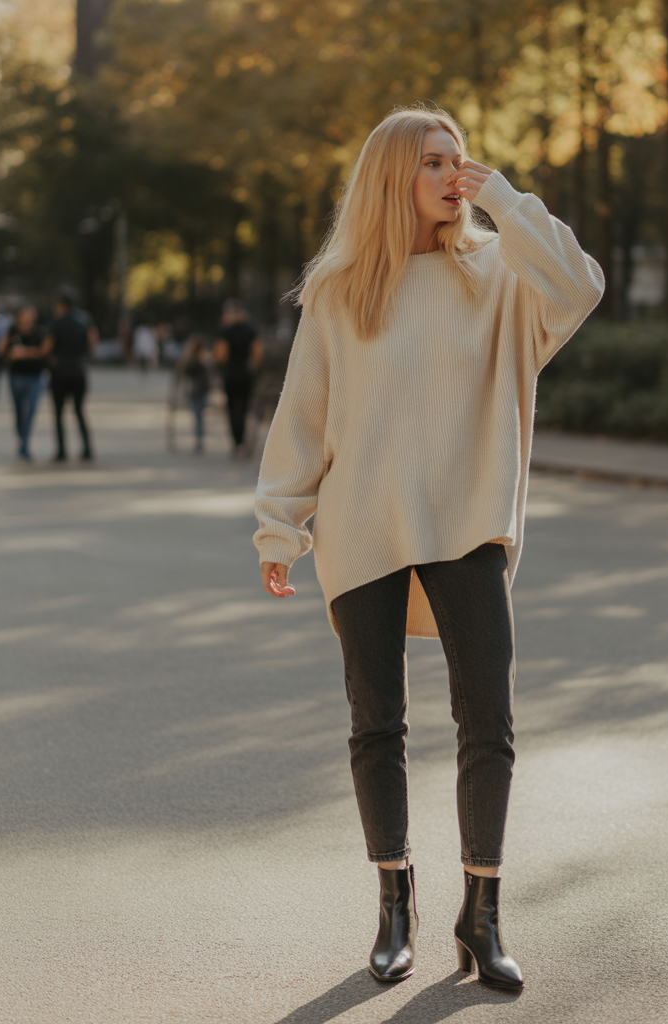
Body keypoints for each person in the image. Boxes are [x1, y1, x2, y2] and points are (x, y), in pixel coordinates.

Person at [253, 107, 604, 989]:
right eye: (435, 164)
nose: (456, 174)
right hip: (363, 525)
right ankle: (394, 903)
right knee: (378, 723)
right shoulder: (341, 291)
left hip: (467, 522)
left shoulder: (498, 274)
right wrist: (279, 526)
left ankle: (480, 915)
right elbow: (304, 417)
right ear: (391, 180)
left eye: (461, 158)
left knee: (489, 719)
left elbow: (581, 287)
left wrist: (509, 201)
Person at [46, 293, 96, 462]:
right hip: (78, 369)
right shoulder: (84, 320)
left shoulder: (57, 322)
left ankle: (61, 450)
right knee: (79, 410)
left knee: (59, 413)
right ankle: (87, 448)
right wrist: (85, 356)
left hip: (60, 371)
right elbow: (92, 339)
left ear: (62, 305)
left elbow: (48, 346)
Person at [213, 299, 263, 456]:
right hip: (246, 376)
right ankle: (243, 441)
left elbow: (221, 355)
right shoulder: (250, 331)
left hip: (230, 375)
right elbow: (258, 354)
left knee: (232, 409)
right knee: (244, 408)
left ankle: (237, 443)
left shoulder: (225, 332)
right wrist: (252, 367)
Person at [0, 305, 47, 461]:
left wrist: (23, 352)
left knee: (30, 411)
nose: (26, 321)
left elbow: (43, 351)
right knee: (19, 411)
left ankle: (25, 444)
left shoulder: (40, 332)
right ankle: (21, 439)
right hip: (16, 376)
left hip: (35, 376)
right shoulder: (12, 331)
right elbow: (2, 351)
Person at [175, 334, 213, 453]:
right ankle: (199, 438)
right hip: (198, 390)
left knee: (198, 415)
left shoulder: (194, 359)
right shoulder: (195, 360)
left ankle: (199, 438)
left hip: (198, 390)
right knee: (199, 415)